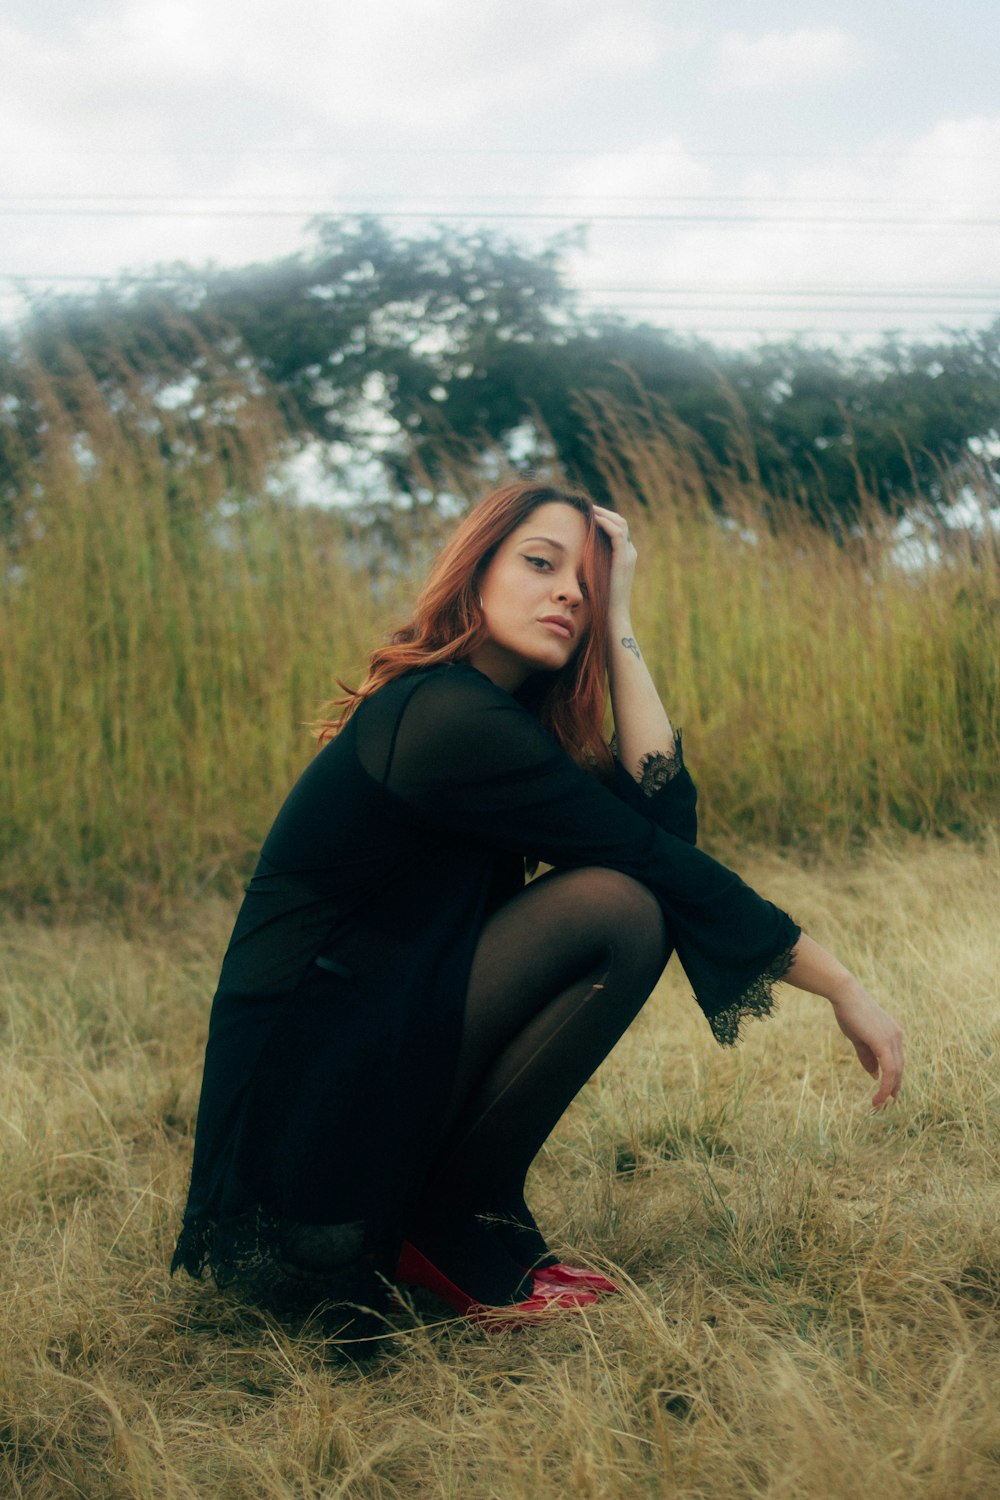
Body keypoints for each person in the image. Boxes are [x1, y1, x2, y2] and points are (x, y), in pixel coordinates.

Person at [171, 481, 903, 1330]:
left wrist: (619, 616)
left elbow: (664, 817)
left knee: (630, 900)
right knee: (617, 909)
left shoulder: (504, 722)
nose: (567, 591)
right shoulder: (445, 714)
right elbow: (652, 863)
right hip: (304, 1115)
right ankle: (447, 1222)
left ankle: (458, 1213)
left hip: (363, 1044)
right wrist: (843, 986)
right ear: (475, 569)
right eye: (540, 563)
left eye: (584, 586)